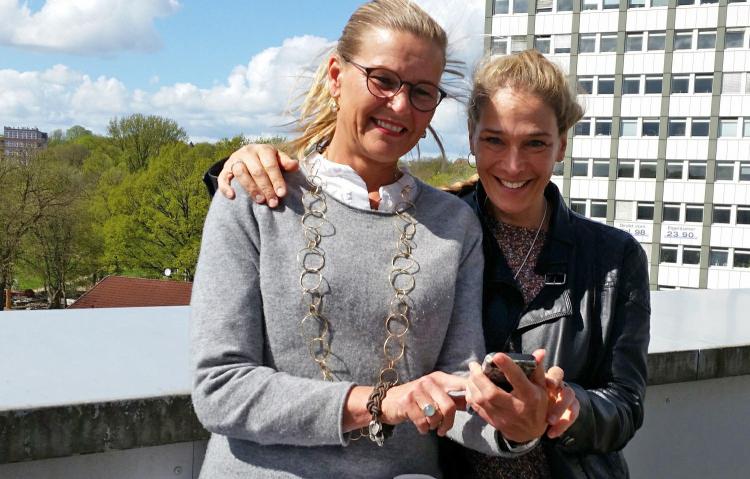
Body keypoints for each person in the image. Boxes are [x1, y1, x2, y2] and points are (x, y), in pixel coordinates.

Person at [212, 50, 650, 478]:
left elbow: (626, 404)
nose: (513, 164)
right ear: (472, 137)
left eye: (535, 143)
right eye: (495, 140)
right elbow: (351, 217)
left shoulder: (613, 258)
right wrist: (238, 166)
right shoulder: (438, 226)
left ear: (561, 145)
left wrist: (565, 407)